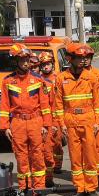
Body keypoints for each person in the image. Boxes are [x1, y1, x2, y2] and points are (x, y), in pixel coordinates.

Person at [0, 44, 51, 190]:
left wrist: (46, 125)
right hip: (17, 123)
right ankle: (25, 188)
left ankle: (39, 189)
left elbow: (45, 105)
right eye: (22, 60)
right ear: (15, 61)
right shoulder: (7, 81)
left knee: (38, 155)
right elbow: (4, 105)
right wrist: (5, 127)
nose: (26, 63)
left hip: (36, 122)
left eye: (27, 60)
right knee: (21, 157)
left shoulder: (38, 79)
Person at [54, 43, 99, 196]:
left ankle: (91, 188)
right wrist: (62, 124)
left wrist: (98, 122)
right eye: (79, 58)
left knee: (90, 156)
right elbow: (58, 105)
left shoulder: (91, 78)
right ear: (70, 59)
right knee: (75, 158)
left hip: (88, 121)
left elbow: (98, 104)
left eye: (84, 57)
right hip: (71, 122)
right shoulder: (61, 78)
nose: (83, 60)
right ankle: (79, 188)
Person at [82, 45, 99, 188]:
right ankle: (85, 174)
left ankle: (97, 174)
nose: (85, 60)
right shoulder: (75, 76)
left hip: (96, 116)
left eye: (88, 57)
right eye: (83, 58)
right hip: (81, 117)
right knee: (83, 148)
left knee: (97, 146)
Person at [38, 50, 63, 184]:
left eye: (48, 64)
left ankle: (58, 164)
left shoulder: (59, 78)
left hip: (58, 116)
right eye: (43, 65)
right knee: (47, 146)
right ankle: (49, 172)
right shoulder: (38, 80)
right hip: (46, 117)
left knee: (57, 142)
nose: (46, 67)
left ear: (52, 64)